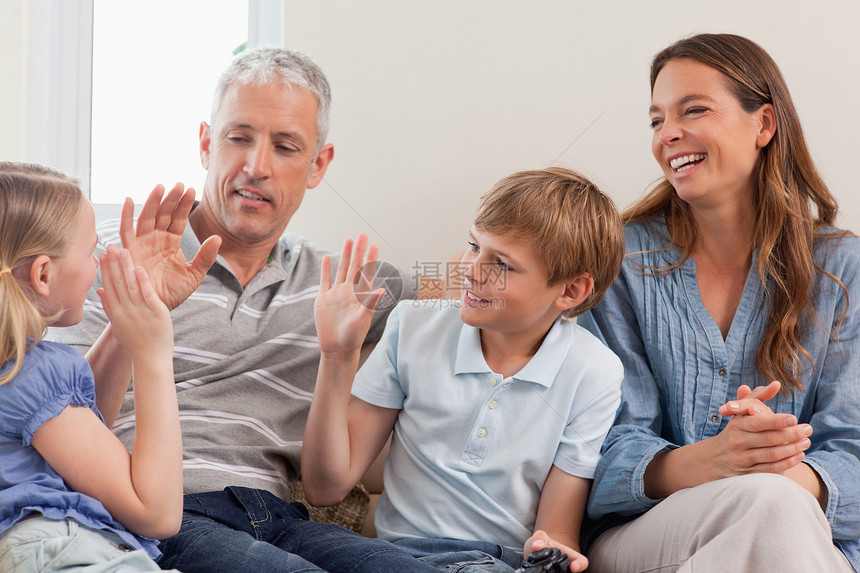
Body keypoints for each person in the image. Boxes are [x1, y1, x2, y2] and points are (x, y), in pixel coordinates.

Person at [47, 47, 436, 573]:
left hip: (278, 518)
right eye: (239, 137)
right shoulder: (113, 259)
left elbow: (475, 281)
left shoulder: (336, 283)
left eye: (285, 146)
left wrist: (550, 268)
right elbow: (65, 418)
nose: (256, 167)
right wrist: (134, 314)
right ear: (207, 143)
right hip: (156, 516)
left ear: (318, 164)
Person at [577, 33, 860, 572]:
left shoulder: (844, 268)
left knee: (772, 506)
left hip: (805, 529)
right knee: (769, 505)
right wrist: (709, 462)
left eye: (694, 110)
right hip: (649, 536)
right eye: (657, 120)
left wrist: (769, 466)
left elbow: (855, 449)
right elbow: (597, 445)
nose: (669, 134)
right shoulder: (620, 260)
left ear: (765, 124)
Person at [302, 167, 626, 572]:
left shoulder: (595, 373)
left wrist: (552, 554)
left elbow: (556, 530)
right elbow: (323, 488)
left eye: (502, 264)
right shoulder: (412, 327)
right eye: (474, 246)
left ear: (570, 290)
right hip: (391, 556)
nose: (470, 270)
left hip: (493, 562)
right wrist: (337, 357)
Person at [0, 162, 183, 571]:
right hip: (64, 548)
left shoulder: (12, 372)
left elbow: (84, 440)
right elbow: (158, 513)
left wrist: (124, 326)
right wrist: (152, 355)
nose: (98, 264)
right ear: (44, 274)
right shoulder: (35, 372)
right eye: (90, 252)